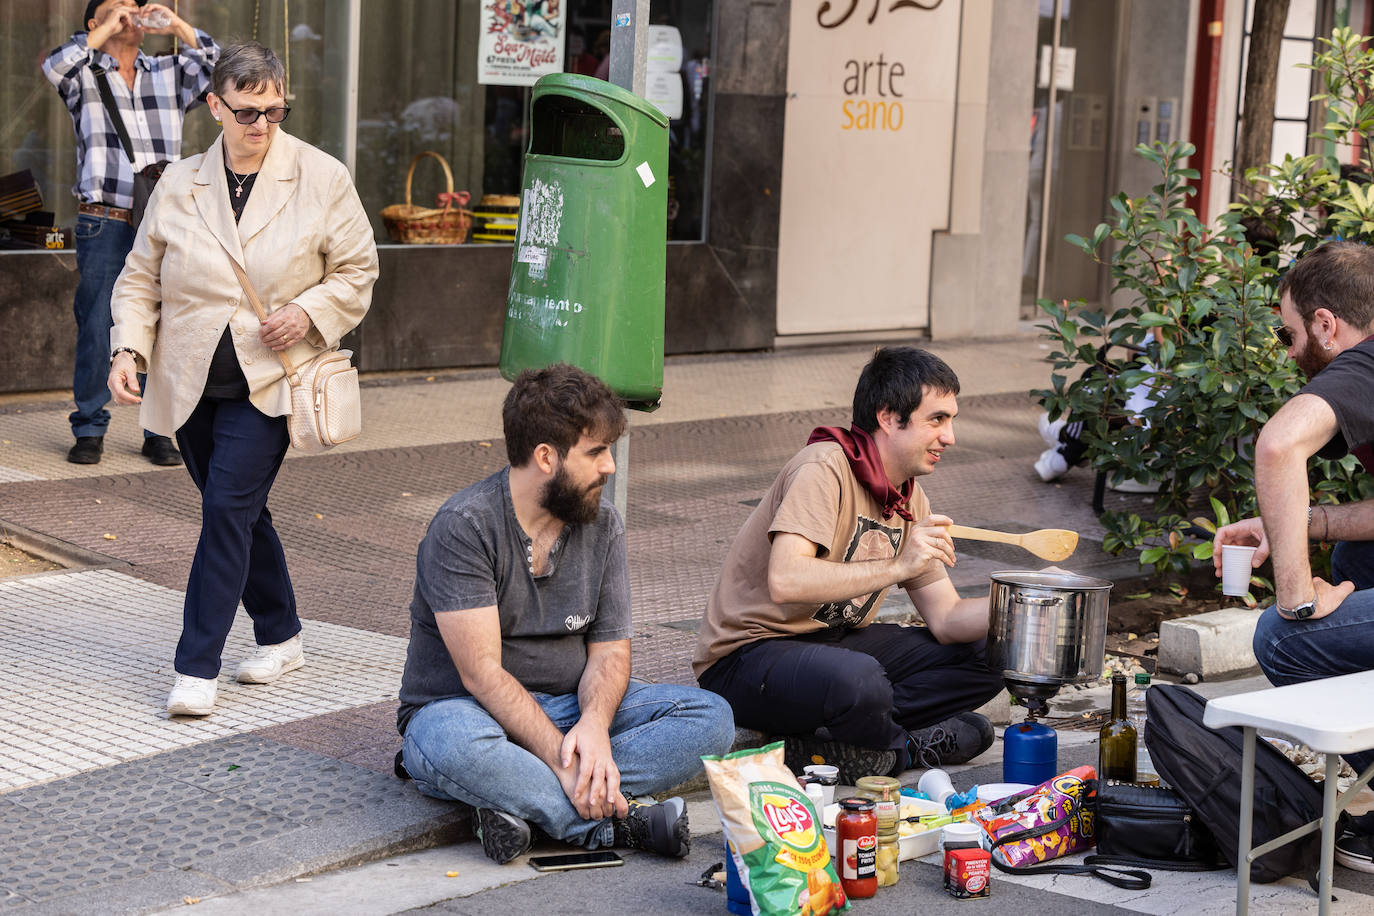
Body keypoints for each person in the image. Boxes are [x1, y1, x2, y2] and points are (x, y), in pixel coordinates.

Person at [106, 42, 378, 717]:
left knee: (226, 510)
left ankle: (195, 666)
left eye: (274, 110)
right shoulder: (179, 183)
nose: (261, 124)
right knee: (241, 513)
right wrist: (128, 351)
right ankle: (282, 634)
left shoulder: (321, 176)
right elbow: (140, 279)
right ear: (215, 107)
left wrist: (306, 312)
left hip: (272, 381)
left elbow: (357, 270)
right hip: (189, 380)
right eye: (247, 111)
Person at [397, 364, 735, 865]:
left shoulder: (603, 523)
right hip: (465, 711)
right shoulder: (464, 527)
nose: (610, 468)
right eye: (596, 452)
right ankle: (618, 822)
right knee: (450, 745)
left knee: (712, 718)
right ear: (546, 457)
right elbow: (482, 674)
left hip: (572, 708)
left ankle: (517, 803)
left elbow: (611, 651)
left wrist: (595, 728)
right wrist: (563, 757)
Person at [694, 346, 1005, 784]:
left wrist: (1027, 599)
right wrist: (900, 565)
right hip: (745, 658)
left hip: (831, 647)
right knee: (859, 679)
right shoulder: (825, 467)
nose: (950, 436)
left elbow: (949, 619)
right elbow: (786, 579)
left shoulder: (908, 495)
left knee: (992, 650)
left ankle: (833, 741)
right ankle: (899, 752)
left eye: (950, 420)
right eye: (937, 419)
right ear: (888, 416)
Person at [1213, 240, 1374, 874]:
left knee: (1284, 639)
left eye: (1288, 334)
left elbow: (1279, 445)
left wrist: (1296, 595)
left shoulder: (1362, 365)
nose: (1290, 353)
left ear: (1326, 323)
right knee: (1357, 565)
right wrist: (1301, 527)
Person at [42, 0, 220, 467]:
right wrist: (107, 29)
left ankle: (158, 429)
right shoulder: (84, 71)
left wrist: (176, 24)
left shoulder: (168, 70)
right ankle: (89, 426)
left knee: (164, 325)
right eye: (116, 7)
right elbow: (54, 64)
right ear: (92, 23)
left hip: (161, 220)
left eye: (134, 7)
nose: (130, 14)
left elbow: (224, 72)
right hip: (103, 218)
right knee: (99, 323)